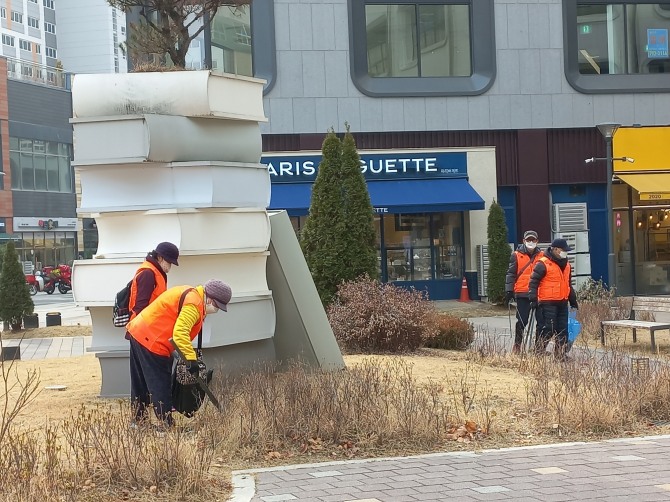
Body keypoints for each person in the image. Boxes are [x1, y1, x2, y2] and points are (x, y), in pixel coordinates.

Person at [126, 279, 232, 427]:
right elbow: (180, 333)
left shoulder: (193, 296)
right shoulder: (194, 304)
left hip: (139, 331)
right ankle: (166, 425)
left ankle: (138, 421)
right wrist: (191, 359)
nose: (216, 310)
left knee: (141, 382)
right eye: (217, 306)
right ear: (210, 299)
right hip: (152, 340)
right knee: (160, 383)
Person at [527, 238, 579, 360]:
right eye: (563, 250)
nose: (565, 253)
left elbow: (568, 284)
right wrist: (533, 299)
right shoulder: (543, 263)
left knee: (563, 330)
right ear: (555, 249)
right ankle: (539, 351)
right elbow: (533, 282)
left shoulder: (566, 265)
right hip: (547, 302)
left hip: (562, 302)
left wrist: (573, 300)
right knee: (547, 328)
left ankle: (560, 355)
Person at [505, 230, 542, 354]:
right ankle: (517, 345)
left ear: (537, 241)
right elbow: (511, 273)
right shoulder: (516, 255)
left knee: (541, 322)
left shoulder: (542, 256)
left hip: (539, 294)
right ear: (524, 241)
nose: (531, 242)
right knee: (522, 321)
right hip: (523, 292)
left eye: (533, 240)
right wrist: (509, 290)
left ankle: (538, 348)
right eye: (528, 240)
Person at [129, 241, 180, 321]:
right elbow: (141, 306)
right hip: (142, 327)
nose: (170, 266)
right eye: (169, 262)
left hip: (149, 324)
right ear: (159, 257)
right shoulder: (148, 274)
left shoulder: (155, 273)